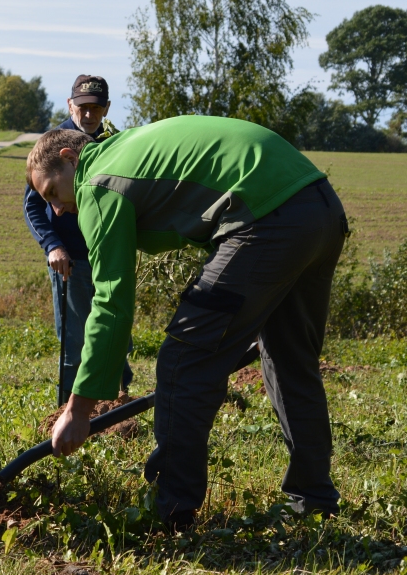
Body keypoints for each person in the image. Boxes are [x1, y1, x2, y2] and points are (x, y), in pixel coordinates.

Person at [27, 116, 348, 529]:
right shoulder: (130, 149)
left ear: (71, 158)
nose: (56, 209)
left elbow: (111, 302)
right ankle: (314, 497)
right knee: (290, 358)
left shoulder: (96, 184)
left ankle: (170, 509)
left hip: (267, 217)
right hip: (319, 206)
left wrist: (80, 407)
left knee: (184, 359)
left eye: (53, 192)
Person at [23, 75, 131, 403]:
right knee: (75, 339)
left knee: (114, 328)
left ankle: (116, 404)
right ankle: (67, 410)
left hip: (108, 254)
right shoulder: (52, 147)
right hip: (70, 258)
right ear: (70, 105)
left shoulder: (112, 144)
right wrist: (52, 245)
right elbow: (32, 205)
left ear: (106, 109)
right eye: (82, 107)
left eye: (96, 108)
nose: (88, 114)